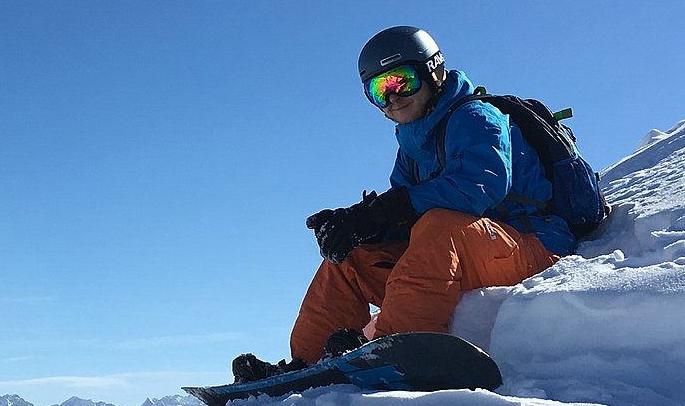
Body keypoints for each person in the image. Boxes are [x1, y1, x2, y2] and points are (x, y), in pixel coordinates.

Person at [232, 25, 574, 383]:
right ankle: (308, 361)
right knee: (350, 258)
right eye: (379, 90)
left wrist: (385, 210)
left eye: (402, 81)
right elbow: (405, 219)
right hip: (464, 255)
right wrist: (362, 225)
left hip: (532, 245)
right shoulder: (412, 145)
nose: (392, 97)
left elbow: (478, 188)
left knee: (438, 225)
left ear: (433, 71)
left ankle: (396, 348)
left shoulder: (475, 118)